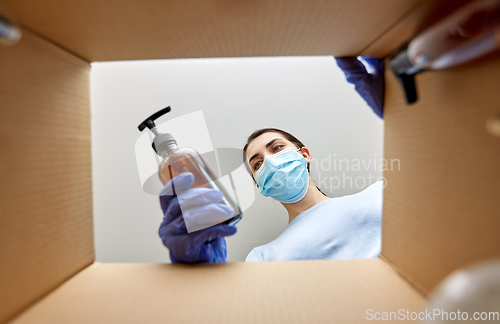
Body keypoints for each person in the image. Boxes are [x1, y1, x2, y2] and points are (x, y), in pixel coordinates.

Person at [158, 128, 383, 263]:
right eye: (257, 163)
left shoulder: (378, 193)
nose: (270, 162)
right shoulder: (263, 256)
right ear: (260, 185)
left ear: (304, 154)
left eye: (276, 148)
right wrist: (201, 274)